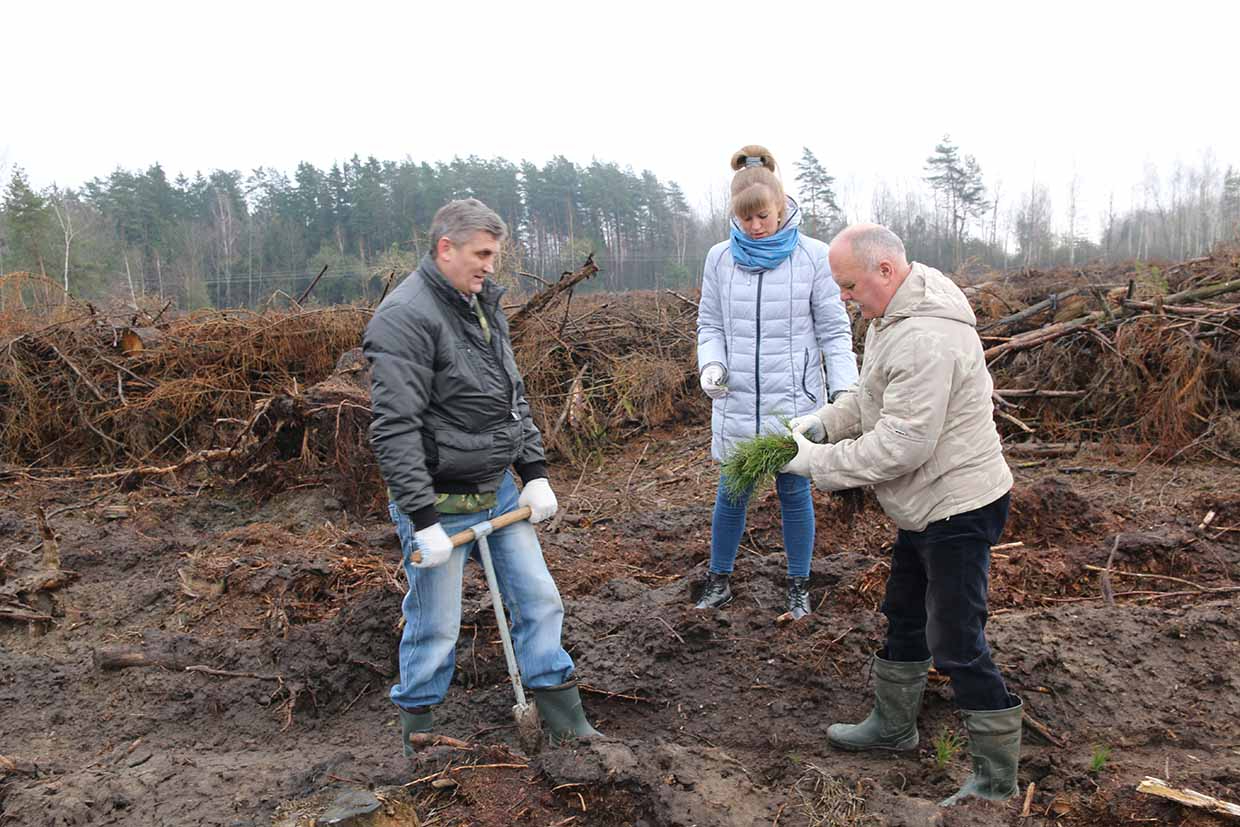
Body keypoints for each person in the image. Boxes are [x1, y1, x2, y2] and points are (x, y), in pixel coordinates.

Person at [780, 223, 1020, 806]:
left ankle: (993, 782)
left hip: (957, 503)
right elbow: (872, 399)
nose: (843, 297)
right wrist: (827, 422)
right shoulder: (893, 316)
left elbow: (902, 444)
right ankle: (893, 728)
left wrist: (818, 462)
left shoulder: (925, 337)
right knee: (904, 611)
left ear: (885, 270)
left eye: (849, 285)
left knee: (956, 638)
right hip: (924, 502)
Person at [363, 198, 600, 755]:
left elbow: (510, 396)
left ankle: (565, 721)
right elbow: (394, 429)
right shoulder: (405, 318)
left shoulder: (480, 304)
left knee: (540, 599)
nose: (491, 265)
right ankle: (420, 738)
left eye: (495, 254)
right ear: (446, 248)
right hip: (439, 501)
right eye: (482, 254)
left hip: (497, 489)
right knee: (436, 626)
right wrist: (422, 520)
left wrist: (534, 471)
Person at [695, 145, 859, 619]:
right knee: (731, 493)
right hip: (738, 403)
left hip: (795, 404)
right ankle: (719, 579)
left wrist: (843, 391)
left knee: (794, 493)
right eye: (745, 220)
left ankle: (799, 586)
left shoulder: (813, 258)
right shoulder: (720, 259)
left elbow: (833, 330)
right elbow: (711, 324)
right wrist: (711, 364)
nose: (755, 227)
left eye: (763, 216)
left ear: (782, 205)